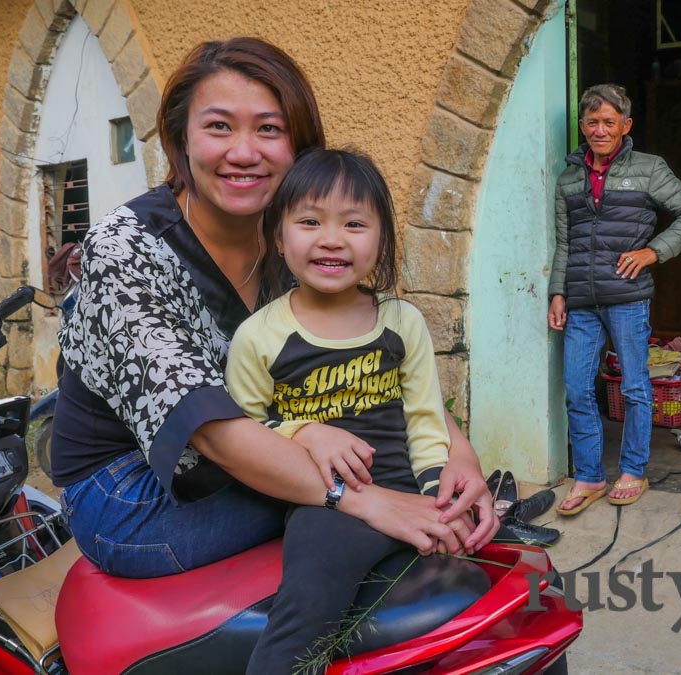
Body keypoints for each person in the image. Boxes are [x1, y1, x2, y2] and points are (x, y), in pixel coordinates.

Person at [48, 38, 497, 674]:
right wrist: (358, 495)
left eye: (269, 129)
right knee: (375, 507)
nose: (243, 152)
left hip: (256, 443)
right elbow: (209, 428)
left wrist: (458, 456)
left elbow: (377, 369)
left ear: (300, 144)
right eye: (218, 127)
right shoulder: (125, 252)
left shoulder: (297, 231)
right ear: (180, 139)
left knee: (407, 485)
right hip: (136, 493)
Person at [225, 148, 458, 667]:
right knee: (307, 604)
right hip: (328, 504)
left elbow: (424, 418)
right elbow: (248, 430)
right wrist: (305, 430)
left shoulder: (402, 321)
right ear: (280, 238)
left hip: (407, 487)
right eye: (310, 221)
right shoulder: (260, 335)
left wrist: (437, 492)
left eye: (354, 224)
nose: (331, 238)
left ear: (382, 240)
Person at [548, 84, 681, 515]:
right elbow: (565, 244)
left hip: (627, 298)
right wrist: (558, 292)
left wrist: (653, 251)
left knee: (635, 388)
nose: (600, 130)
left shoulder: (649, 170)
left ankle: (634, 471)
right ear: (582, 126)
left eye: (609, 123)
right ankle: (589, 476)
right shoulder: (568, 179)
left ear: (626, 126)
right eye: (592, 122)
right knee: (578, 390)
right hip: (581, 300)